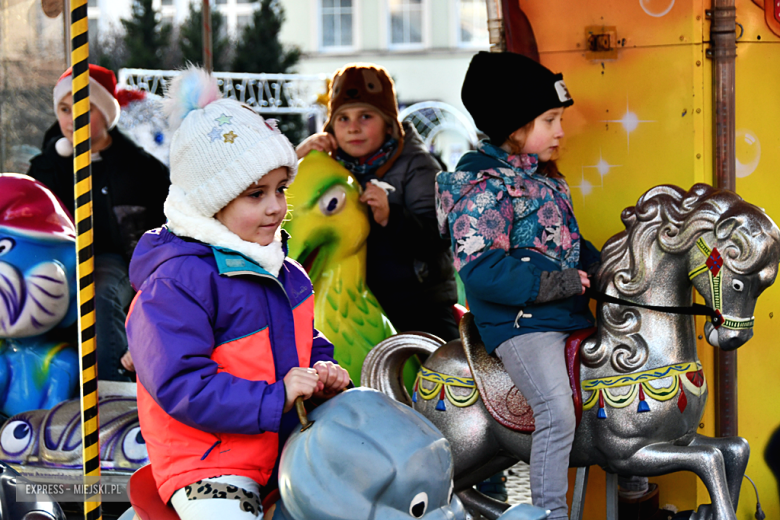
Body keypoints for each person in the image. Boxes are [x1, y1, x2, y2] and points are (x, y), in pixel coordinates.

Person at [125, 66, 350, 520]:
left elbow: (299, 340)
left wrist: (323, 370)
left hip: (282, 445)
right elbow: (181, 384)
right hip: (210, 462)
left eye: (280, 189)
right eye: (255, 194)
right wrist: (276, 397)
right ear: (212, 201)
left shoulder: (284, 271)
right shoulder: (177, 282)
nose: (275, 207)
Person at [435, 51, 600, 519]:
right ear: (513, 127)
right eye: (549, 120)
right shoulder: (481, 188)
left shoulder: (544, 180)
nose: (561, 131)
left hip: (563, 314)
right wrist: (555, 283)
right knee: (555, 410)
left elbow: (567, 242)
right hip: (521, 323)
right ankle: (548, 512)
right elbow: (481, 270)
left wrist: (608, 266)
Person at [295, 63, 459, 341]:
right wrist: (299, 161)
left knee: (440, 362)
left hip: (417, 301)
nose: (353, 128)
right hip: (356, 300)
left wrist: (390, 217)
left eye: (366, 116)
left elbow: (441, 234)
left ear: (388, 122)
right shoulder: (333, 165)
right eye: (343, 119)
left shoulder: (417, 164)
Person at [27, 64, 170, 382]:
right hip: (57, 260)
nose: (71, 118)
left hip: (116, 261)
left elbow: (165, 222)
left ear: (106, 113)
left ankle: (110, 386)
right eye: (65, 109)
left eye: (83, 109)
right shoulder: (45, 167)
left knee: (100, 289)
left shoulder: (141, 169)